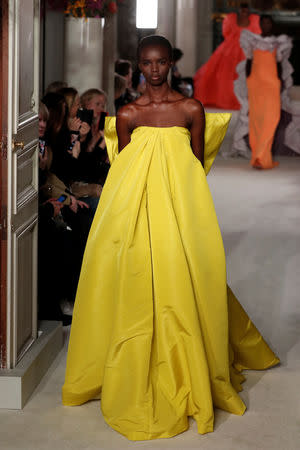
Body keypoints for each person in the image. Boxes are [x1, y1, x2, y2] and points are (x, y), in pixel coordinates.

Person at [62, 35, 279, 440]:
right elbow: (126, 174)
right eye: (147, 63)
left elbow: (195, 167)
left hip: (181, 211)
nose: (155, 70)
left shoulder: (190, 108)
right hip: (137, 215)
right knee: (141, 285)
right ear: (139, 65)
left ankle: (190, 359)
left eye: (161, 62)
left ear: (170, 65)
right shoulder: (127, 115)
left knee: (187, 280)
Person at [233, 15, 299, 166]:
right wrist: (249, 80)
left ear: (272, 24)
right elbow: (249, 61)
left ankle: (263, 155)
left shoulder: (278, 42)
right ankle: (259, 156)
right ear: (260, 24)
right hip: (255, 83)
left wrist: (280, 82)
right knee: (256, 118)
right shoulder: (252, 40)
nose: (265, 25)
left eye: (268, 22)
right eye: (263, 22)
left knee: (272, 118)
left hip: (272, 83)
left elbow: (280, 63)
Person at [193, 3, 261, 110]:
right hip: (228, 52)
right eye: (242, 10)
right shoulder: (231, 19)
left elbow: (256, 36)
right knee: (225, 76)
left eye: (246, 10)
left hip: (246, 50)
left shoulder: (255, 20)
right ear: (239, 10)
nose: (244, 12)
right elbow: (226, 33)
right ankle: (226, 99)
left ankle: (245, 100)